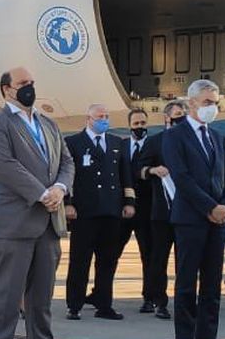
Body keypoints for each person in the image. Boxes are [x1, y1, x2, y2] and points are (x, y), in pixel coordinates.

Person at [0, 66, 78, 339]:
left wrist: (60, 188)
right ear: (7, 89)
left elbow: (67, 161)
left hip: (48, 222)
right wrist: (41, 193)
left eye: (32, 82)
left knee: (42, 293)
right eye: (23, 84)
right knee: (5, 292)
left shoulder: (48, 123)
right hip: (12, 222)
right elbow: (4, 165)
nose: (29, 88)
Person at [162, 79, 225, 339]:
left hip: (218, 219)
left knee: (211, 280)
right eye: (207, 102)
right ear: (191, 103)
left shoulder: (218, 137)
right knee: (186, 281)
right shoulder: (174, 136)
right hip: (191, 218)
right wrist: (210, 207)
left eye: (215, 103)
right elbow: (181, 177)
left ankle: (208, 338)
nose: (212, 108)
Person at [63, 103, 136, 320]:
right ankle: (74, 305)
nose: (104, 119)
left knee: (107, 261)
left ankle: (104, 304)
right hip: (84, 212)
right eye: (99, 116)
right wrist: (68, 202)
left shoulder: (116, 143)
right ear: (89, 119)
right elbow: (67, 175)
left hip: (111, 211)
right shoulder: (74, 143)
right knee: (80, 260)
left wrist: (129, 201)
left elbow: (125, 175)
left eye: (106, 116)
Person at [133, 100, 187, 319]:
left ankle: (184, 300)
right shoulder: (156, 141)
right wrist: (153, 170)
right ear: (167, 118)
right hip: (162, 210)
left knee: (185, 259)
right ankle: (159, 301)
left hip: (186, 210)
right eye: (176, 114)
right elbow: (139, 170)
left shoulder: (190, 140)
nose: (180, 118)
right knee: (159, 257)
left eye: (183, 114)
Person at [112, 110, 153, 307]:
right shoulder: (120, 146)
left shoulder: (155, 146)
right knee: (111, 252)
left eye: (143, 123)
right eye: (136, 123)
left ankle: (149, 297)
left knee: (149, 254)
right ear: (129, 125)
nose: (140, 127)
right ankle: (101, 294)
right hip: (123, 208)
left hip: (147, 209)